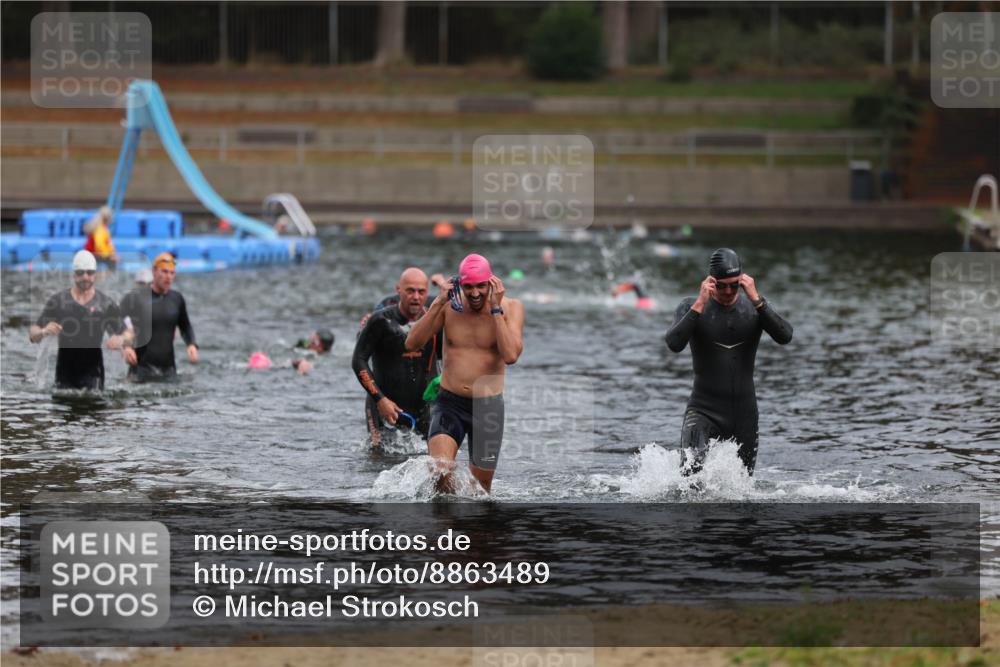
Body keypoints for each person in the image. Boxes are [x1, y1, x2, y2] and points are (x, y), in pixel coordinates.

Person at [664, 248, 793, 475]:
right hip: (703, 410)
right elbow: (674, 344)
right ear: (711, 282)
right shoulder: (690, 307)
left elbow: (785, 336)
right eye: (722, 285)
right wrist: (699, 304)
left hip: (744, 414)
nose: (728, 291)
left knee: (742, 489)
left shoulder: (755, 309)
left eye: (734, 285)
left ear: (743, 281)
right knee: (689, 478)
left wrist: (758, 300)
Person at [405, 254, 524, 493]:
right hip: (450, 403)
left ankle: (469, 528)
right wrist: (438, 302)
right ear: (461, 284)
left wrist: (496, 309)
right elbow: (412, 343)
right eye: (469, 286)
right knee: (439, 472)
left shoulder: (512, 307)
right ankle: (446, 527)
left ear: (491, 283)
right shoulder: (450, 305)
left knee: (481, 489)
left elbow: (511, 356)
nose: (475, 293)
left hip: (488, 408)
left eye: (481, 285)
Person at [353, 268, 442, 447]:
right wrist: (380, 399)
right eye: (410, 290)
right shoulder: (381, 321)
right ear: (398, 290)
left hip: (425, 406)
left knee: (430, 461)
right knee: (378, 460)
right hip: (384, 405)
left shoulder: (435, 321)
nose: (416, 297)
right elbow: (358, 360)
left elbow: (450, 357)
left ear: (427, 293)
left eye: (421, 291)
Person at [29, 250, 126, 390]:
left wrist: (121, 341)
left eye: (90, 272)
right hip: (64, 379)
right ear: (73, 273)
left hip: (94, 380)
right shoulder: (58, 301)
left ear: (95, 274)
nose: (85, 277)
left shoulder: (106, 304)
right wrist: (44, 331)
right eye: (80, 273)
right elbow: (33, 334)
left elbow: (127, 333)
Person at [119, 252, 198, 382]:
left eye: (172, 273)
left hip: (169, 371)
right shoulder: (136, 298)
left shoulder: (177, 299)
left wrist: (191, 344)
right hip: (140, 371)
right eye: (165, 272)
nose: (169, 277)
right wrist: (126, 347)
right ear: (154, 271)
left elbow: (185, 326)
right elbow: (118, 322)